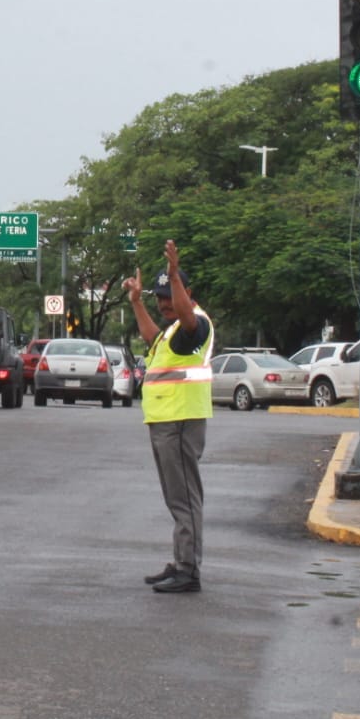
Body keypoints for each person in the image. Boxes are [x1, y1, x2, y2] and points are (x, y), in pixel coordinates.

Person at [124, 239, 214, 595]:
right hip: (166, 422)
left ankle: (189, 570)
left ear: (186, 292)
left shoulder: (196, 325)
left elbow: (187, 316)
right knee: (175, 497)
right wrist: (136, 302)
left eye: (170, 295)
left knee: (185, 497)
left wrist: (174, 275)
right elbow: (152, 339)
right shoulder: (173, 332)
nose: (164, 303)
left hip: (180, 422)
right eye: (159, 296)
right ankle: (180, 562)